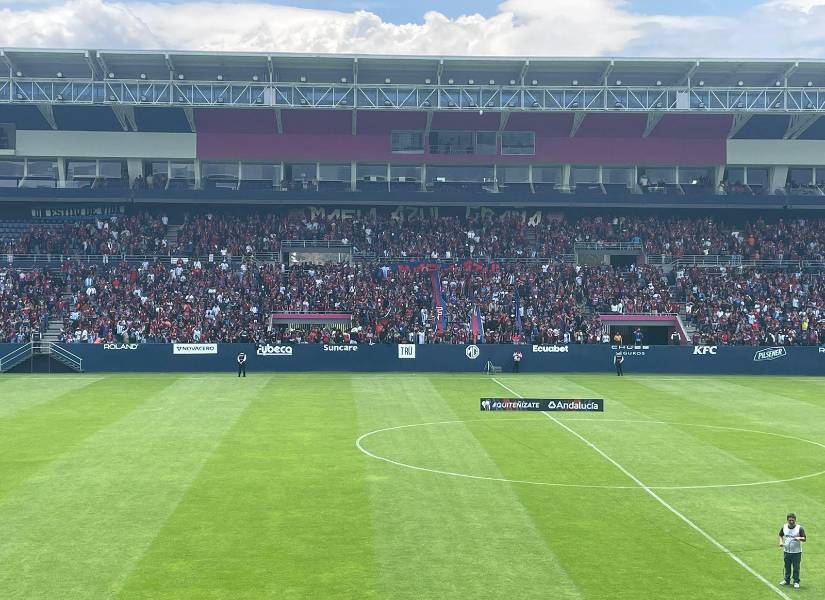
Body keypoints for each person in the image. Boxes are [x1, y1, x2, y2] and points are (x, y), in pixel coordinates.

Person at [779, 513, 806, 588]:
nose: (791, 522)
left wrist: (799, 538)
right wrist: (781, 542)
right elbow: (780, 535)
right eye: (790, 520)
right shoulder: (784, 527)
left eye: (793, 520)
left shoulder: (799, 528)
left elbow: (804, 538)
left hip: (796, 552)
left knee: (796, 567)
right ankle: (786, 580)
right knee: (787, 566)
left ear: (795, 520)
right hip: (786, 551)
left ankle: (796, 581)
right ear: (787, 520)